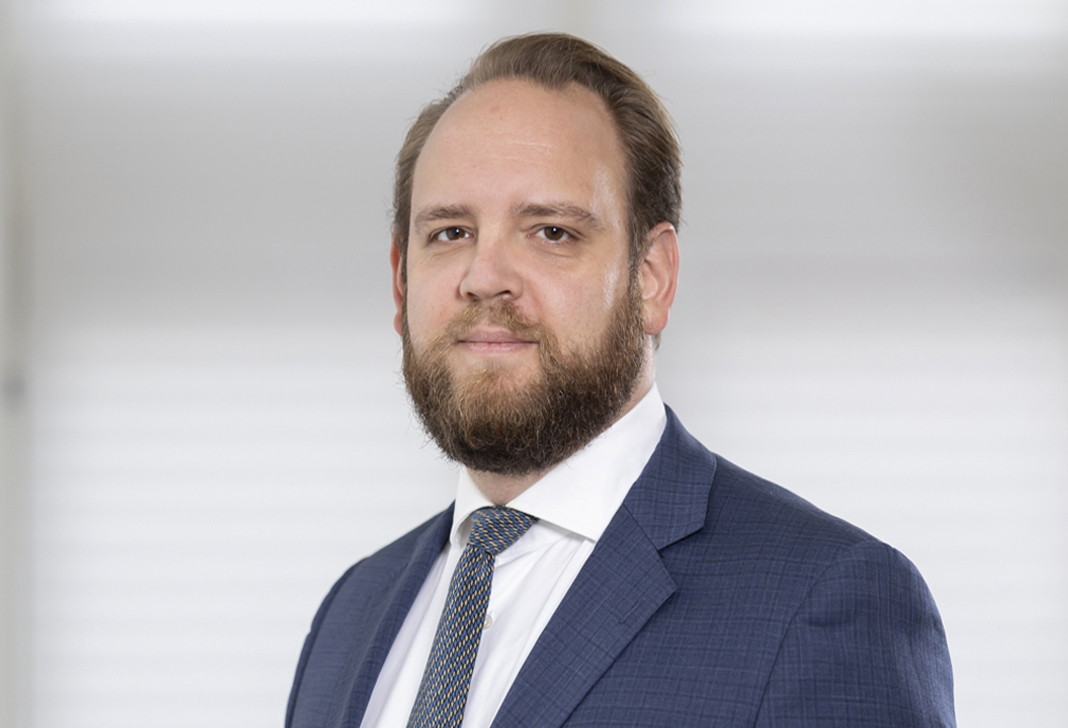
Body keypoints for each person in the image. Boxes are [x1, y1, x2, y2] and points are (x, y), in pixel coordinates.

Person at [286, 33, 955, 728]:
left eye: (551, 232)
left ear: (652, 278)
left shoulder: (824, 601)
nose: (484, 277)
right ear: (400, 282)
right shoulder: (351, 614)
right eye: (451, 232)